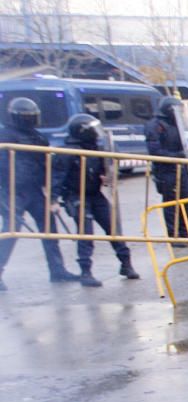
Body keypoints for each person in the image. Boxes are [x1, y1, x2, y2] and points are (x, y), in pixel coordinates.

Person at [0, 97, 79, 290]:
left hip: (34, 191)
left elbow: (45, 165)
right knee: (11, 231)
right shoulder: (4, 136)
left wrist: (51, 193)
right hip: (11, 191)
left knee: (49, 229)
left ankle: (57, 270)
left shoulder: (38, 137)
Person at [54, 114, 140, 287]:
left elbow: (102, 169)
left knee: (113, 228)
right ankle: (86, 272)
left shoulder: (93, 149)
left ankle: (126, 264)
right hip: (76, 195)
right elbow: (57, 177)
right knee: (86, 234)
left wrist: (105, 176)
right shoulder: (67, 153)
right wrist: (53, 199)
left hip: (95, 194)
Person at [145, 96, 188, 240]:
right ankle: (174, 235)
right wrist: (177, 155)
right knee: (172, 203)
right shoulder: (155, 125)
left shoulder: (179, 124)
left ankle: (185, 232)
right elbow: (154, 150)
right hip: (166, 171)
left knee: (186, 199)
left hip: (182, 168)